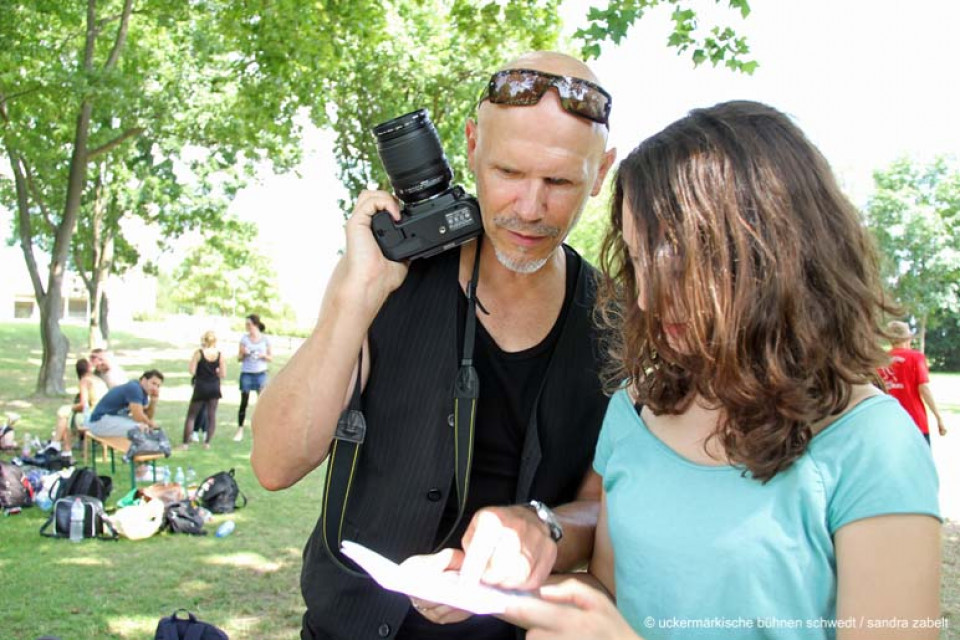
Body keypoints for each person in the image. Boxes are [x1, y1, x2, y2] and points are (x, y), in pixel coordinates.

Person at [503, 101, 942, 639]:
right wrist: (500, 592)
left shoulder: (874, 445)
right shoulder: (635, 411)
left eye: (679, 269)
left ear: (771, 256)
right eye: (639, 263)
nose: (647, 299)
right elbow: (612, 592)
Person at [251, 51, 617, 640]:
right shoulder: (385, 281)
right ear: (470, 145)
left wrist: (542, 522)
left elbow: (608, 508)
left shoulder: (618, 320)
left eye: (558, 182)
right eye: (507, 173)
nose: (529, 207)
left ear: (601, 174)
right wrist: (357, 296)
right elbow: (274, 464)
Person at [878, 320, 947, 444]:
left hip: (889, 423)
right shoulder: (916, 357)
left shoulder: (880, 361)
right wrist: (938, 417)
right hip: (915, 421)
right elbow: (924, 389)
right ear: (908, 337)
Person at [53, 358, 108, 456]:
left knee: (65, 414)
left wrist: (71, 408)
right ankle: (57, 444)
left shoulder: (85, 381)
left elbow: (83, 405)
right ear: (89, 368)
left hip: (93, 417)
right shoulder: (98, 380)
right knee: (68, 414)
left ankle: (62, 447)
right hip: (105, 416)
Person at [181, 330, 226, 449]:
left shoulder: (199, 353)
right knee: (212, 415)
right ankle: (207, 443)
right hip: (214, 386)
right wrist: (215, 372)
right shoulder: (219, 355)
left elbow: (192, 370)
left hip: (201, 385)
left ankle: (185, 443)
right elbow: (223, 374)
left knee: (191, 415)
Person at [87, 370, 164, 437]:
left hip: (111, 419)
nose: (155, 388)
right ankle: (136, 453)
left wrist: (153, 400)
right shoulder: (134, 388)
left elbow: (147, 416)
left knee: (144, 427)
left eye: (158, 386)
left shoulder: (143, 393)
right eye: (153, 383)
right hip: (99, 422)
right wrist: (151, 424)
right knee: (141, 428)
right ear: (143, 380)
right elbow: (138, 417)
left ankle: (142, 452)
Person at [234, 313, 272, 442]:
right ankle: (240, 429)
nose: (247, 326)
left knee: (262, 402)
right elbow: (238, 358)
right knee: (244, 401)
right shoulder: (244, 339)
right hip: (247, 373)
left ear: (255, 324)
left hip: (260, 373)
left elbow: (270, 357)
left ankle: (262, 430)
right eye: (246, 324)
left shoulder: (265, 339)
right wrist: (243, 354)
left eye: (249, 324)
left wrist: (262, 355)